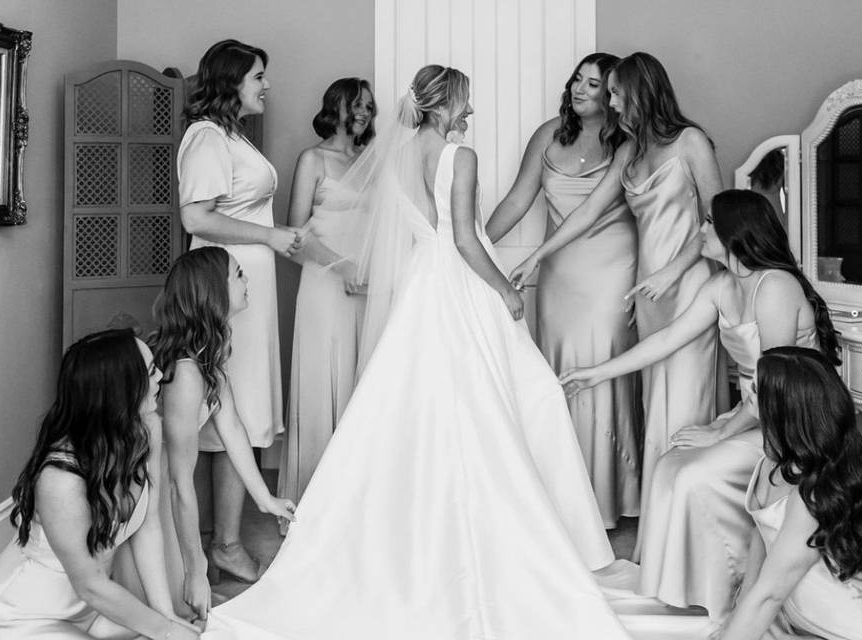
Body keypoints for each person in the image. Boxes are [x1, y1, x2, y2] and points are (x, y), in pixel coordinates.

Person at [203, 64, 637, 639]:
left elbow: (415, 230)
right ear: (446, 103)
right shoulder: (461, 156)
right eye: (466, 101)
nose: (471, 111)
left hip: (421, 286)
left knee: (427, 406)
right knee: (509, 401)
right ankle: (516, 534)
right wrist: (505, 290)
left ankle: (437, 530)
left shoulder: (396, 157)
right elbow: (465, 240)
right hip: (459, 284)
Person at [561, 189, 841, 623]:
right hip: (754, 416)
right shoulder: (720, 286)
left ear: (734, 233)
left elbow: (775, 384)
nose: (700, 230)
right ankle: (679, 591)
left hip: (794, 426)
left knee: (694, 472)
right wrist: (597, 373)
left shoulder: (775, 286)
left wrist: (720, 431)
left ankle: (728, 592)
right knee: (670, 463)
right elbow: (667, 339)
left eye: (709, 222)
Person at [512, 51, 723, 554]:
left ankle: (693, 535)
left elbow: (719, 216)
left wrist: (674, 270)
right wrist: (537, 255)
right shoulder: (631, 150)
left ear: (640, 93)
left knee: (684, 409)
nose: (610, 102)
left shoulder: (690, 142)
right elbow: (588, 211)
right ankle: (661, 532)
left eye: (615, 93)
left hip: (688, 284)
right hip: (646, 291)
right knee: (654, 408)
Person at [485, 53, 640, 528]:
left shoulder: (628, 141)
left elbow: (594, 210)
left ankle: (606, 497)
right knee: (556, 371)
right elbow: (518, 198)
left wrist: (533, 255)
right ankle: (559, 496)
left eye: (593, 84)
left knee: (601, 365)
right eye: (577, 79)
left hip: (611, 270)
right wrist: (476, 247)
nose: (579, 89)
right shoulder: (548, 134)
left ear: (611, 95)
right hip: (559, 275)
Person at [0, 329, 200, 639]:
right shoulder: (60, 479)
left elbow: (148, 527)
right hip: (25, 617)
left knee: (190, 630)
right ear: (120, 390)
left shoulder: (146, 429)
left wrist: (166, 616)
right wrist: (166, 632)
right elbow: (90, 585)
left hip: (91, 611)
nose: (161, 375)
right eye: (150, 371)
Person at [177, 39, 304, 583]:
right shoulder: (207, 137)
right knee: (232, 407)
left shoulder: (232, 136)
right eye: (258, 76)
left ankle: (220, 538)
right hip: (224, 285)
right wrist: (270, 236)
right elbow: (196, 218)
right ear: (231, 82)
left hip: (247, 285)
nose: (266, 85)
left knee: (239, 406)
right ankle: (224, 545)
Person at [717, 346, 862, 640]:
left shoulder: (814, 494)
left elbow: (770, 595)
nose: (748, 397)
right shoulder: (773, 460)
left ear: (783, 408)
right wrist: (735, 618)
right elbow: (761, 540)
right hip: (807, 624)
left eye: (756, 391)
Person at [148, 247, 297, 621]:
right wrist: (194, 569)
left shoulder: (208, 353)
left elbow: (230, 426)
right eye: (239, 274)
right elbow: (179, 483)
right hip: (151, 487)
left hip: (168, 483)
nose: (247, 280)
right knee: (178, 605)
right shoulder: (186, 373)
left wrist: (265, 498)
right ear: (214, 291)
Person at [279, 77, 376, 504]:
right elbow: (294, 236)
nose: (364, 112)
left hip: (366, 288)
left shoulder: (372, 161)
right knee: (321, 383)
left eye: (369, 107)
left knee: (361, 382)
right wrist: (342, 266)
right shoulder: (313, 159)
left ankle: (353, 501)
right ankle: (313, 501)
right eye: (357, 104)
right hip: (323, 284)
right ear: (335, 107)